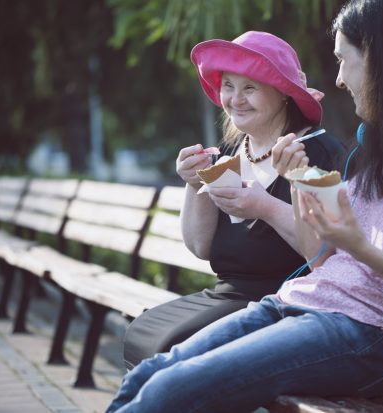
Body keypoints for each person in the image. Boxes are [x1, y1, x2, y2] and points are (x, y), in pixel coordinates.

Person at [108, 1, 383, 411]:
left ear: (380, 59)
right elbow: (320, 260)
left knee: (171, 389)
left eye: (342, 61)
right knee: (150, 373)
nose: (337, 79)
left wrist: (359, 246)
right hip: (298, 303)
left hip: (371, 336)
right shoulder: (381, 149)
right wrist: (300, 181)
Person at [122, 30, 345, 370]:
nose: (235, 99)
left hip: (284, 305)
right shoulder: (229, 153)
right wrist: (194, 183)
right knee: (142, 332)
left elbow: (329, 257)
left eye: (250, 87)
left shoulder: (319, 154)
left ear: (283, 93)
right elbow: (201, 246)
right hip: (227, 295)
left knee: (169, 348)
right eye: (228, 85)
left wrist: (265, 207)